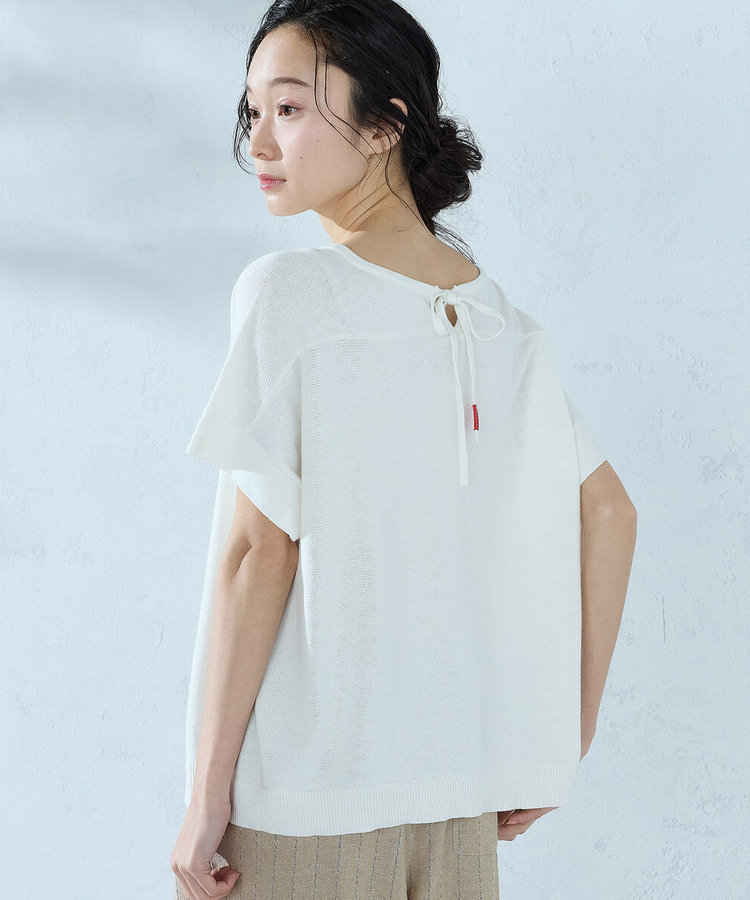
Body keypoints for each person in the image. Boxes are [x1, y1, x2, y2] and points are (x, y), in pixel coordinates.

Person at [170, 1, 638, 898]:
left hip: (309, 805)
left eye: (290, 108)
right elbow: (610, 510)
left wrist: (205, 796)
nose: (258, 142)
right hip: (459, 810)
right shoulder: (502, 318)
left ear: (386, 123)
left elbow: (257, 553)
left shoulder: (290, 294)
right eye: (253, 111)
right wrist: (558, 740)